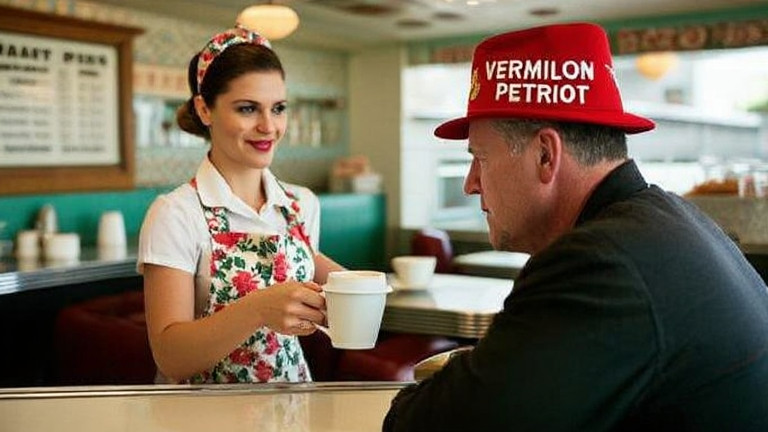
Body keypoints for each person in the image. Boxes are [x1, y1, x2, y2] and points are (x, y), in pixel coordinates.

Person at [383, 22, 768, 431]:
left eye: (481, 157)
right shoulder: (676, 221)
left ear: (546, 155)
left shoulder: (598, 263)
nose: (470, 182)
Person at [137, 26, 344, 384]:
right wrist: (260, 308)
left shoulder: (300, 204)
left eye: (278, 108)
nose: (269, 126)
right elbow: (170, 357)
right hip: (204, 416)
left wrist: (364, 289)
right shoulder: (176, 213)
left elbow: (315, 266)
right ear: (205, 109)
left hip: (292, 407)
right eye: (248, 108)